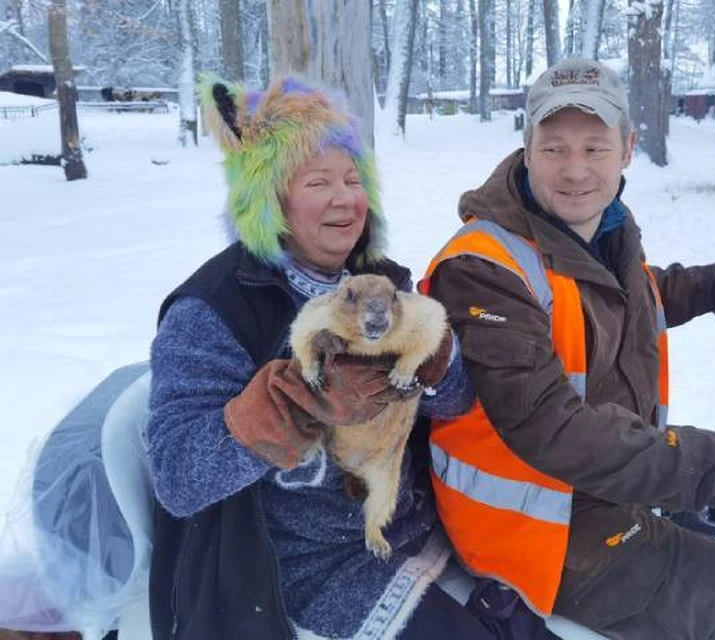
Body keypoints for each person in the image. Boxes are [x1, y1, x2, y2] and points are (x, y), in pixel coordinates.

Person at [420, 58, 715, 639]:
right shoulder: (483, 268)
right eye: (555, 148)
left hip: (592, 486)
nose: (576, 170)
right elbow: (546, 427)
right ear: (527, 149)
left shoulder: (597, 228)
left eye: (595, 148)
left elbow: (628, 290)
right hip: (539, 534)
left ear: (628, 148)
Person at [145, 76, 511, 640]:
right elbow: (177, 477)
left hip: (416, 528)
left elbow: (455, 401)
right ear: (269, 197)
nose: (345, 198)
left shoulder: (380, 284)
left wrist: (435, 361)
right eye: (319, 181)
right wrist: (293, 407)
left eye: (352, 178)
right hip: (302, 570)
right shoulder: (215, 309)